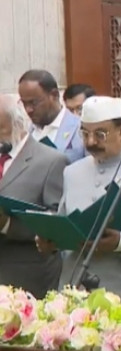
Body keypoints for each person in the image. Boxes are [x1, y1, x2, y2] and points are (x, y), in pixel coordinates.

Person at [40, 96, 121, 298]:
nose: (91, 141)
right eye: (85, 133)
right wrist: (51, 240)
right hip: (73, 290)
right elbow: (65, 223)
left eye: (100, 134)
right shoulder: (72, 171)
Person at [0, 94, 67, 297]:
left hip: (25, 277)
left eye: (0, 128)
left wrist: (6, 224)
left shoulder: (51, 161)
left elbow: (57, 223)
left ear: (18, 123)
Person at [18, 69, 85, 163]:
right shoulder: (26, 134)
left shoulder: (80, 128)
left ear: (54, 95)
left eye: (34, 102)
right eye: (24, 103)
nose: (28, 109)